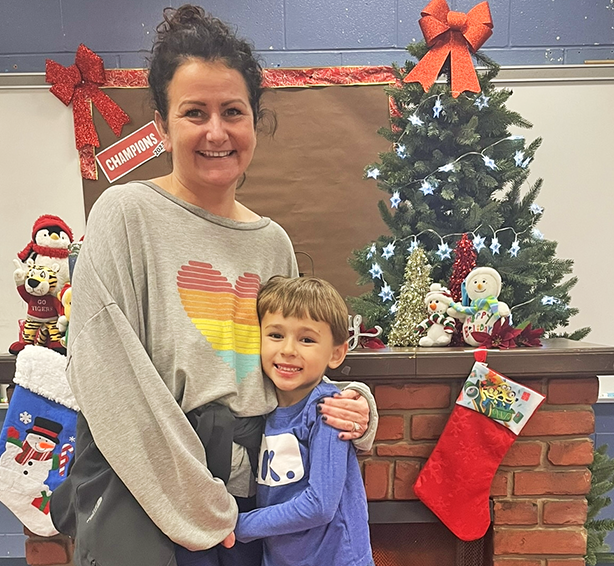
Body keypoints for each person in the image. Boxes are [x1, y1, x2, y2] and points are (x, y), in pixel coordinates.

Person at [50, 5, 377, 566]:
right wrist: (196, 501)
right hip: (148, 480)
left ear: (254, 121)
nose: (216, 131)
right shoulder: (125, 213)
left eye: (233, 111)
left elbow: (291, 362)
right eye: (194, 112)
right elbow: (107, 373)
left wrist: (352, 405)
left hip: (253, 483)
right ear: (161, 124)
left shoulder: (273, 241)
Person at [233, 276, 373, 566]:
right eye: (275, 335)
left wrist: (240, 525)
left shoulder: (328, 410)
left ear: (336, 353)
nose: (288, 349)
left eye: (306, 339)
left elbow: (320, 506)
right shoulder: (264, 407)